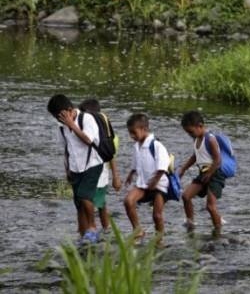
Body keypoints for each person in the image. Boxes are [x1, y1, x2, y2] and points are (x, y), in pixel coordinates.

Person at [48, 94, 104, 244]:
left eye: (61, 116)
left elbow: (88, 140)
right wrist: (67, 169)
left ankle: (93, 228)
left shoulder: (86, 119)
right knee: (78, 202)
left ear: (69, 110)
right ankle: (83, 234)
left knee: (85, 196)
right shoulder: (61, 127)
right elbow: (66, 149)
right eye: (56, 117)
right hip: (75, 167)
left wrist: (72, 125)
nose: (60, 120)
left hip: (92, 164)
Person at [178, 111, 226, 232]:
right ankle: (190, 223)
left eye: (191, 132)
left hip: (215, 174)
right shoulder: (196, 139)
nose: (190, 135)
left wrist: (210, 173)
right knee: (186, 196)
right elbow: (195, 156)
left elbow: (218, 160)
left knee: (210, 206)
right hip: (203, 174)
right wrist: (183, 168)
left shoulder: (210, 139)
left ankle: (218, 232)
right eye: (187, 132)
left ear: (200, 126)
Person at [123, 113, 169, 239]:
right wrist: (131, 174)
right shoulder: (137, 146)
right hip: (143, 184)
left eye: (134, 132)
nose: (132, 136)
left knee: (157, 216)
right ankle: (138, 230)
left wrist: (155, 180)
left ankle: (159, 239)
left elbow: (163, 166)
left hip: (159, 185)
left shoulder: (156, 145)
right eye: (130, 133)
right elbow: (135, 163)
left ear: (144, 129)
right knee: (128, 201)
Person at [79, 99, 122, 233]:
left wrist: (116, 177)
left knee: (95, 202)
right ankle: (105, 229)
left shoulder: (105, 134)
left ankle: (96, 229)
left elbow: (111, 156)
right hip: (89, 172)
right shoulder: (85, 130)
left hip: (100, 173)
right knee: (99, 203)